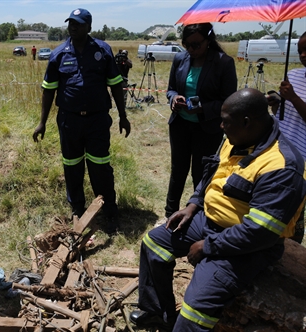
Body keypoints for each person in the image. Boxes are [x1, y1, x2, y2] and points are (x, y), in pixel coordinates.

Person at [130, 88, 306, 331]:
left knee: (193, 314)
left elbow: (259, 233)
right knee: (153, 244)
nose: (221, 127)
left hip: (247, 246)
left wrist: (208, 246)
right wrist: (192, 206)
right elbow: (213, 173)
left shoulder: (281, 167)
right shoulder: (237, 137)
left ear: (246, 122)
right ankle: (157, 312)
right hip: (209, 222)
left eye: (225, 122)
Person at [32, 8, 131, 234]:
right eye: (71, 23)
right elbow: (48, 91)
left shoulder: (102, 51)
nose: (73, 27)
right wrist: (42, 122)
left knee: (100, 167)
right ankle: (77, 209)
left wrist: (123, 116)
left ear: (89, 27)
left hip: (97, 120)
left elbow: (115, 84)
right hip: (69, 121)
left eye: (78, 23)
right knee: (72, 166)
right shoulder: (58, 55)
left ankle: (109, 211)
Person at [165, 23, 237, 219]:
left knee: (201, 173)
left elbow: (229, 100)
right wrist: (174, 99)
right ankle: (170, 213)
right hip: (180, 124)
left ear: (208, 41)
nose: (191, 49)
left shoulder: (223, 63)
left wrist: (203, 108)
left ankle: (198, 216)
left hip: (207, 128)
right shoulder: (180, 59)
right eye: (186, 44)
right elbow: (171, 88)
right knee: (178, 170)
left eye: (196, 45)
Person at [267, 31, 306, 244]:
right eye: (300, 50)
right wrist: (276, 103)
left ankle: (291, 250)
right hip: (282, 151)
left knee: (295, 212)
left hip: (304, 160)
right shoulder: (294, 75)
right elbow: (283, 114)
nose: (303, 54)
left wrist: (293, 97)